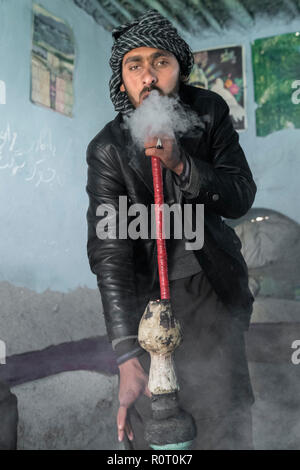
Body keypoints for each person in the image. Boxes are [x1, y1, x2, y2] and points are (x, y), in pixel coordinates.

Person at [86, 9, 257, 450]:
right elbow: (110, 254)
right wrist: (125, 354)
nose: (148, 76)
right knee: (155, 427)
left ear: (179, 69)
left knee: (225, 420)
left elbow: (240, 195)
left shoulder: (210, 113)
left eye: (160, 62)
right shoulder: (108, 149)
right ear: (121, 79)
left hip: (210, 288)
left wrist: (182, 163)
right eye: (134, 65)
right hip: (146, 304)